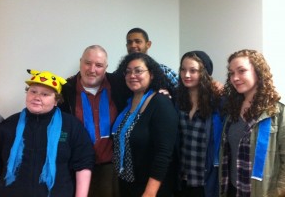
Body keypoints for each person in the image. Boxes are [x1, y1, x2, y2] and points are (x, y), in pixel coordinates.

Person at [0, 69, 95, 197]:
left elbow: (83, 164)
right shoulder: (9, 124)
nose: (37, 97)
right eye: (33, 91)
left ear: (56, 101)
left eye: (45, 94)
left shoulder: (71, 125)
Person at [219, 49, 285, 197]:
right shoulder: (232, 110)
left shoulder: (280, 111)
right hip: (233, 189)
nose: (235, 78)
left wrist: (280, 194)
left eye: (241, 71)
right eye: (231, 73)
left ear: (258, 72)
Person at [59, 45, 126, 197]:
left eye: (99, 65)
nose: (92, 69)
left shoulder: (119, 85)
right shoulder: (65, 90)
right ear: (80, 62)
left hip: (111, 169)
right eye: (88, 63)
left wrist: (163, 90)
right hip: (75, 167)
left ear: (106, 67)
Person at [112, 52, 179, 197]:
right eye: (128, 72)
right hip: (127, 184)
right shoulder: (127, 103)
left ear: (152, 75)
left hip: (151, 188)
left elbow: (164, 153)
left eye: (138, 71)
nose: (132, 75)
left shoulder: (161, 103)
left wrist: (150, 192)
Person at [175, 51, 223, 197]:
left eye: (193, 70)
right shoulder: (176, 100)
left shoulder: (218, 102)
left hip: (206, 180)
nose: (186, 75)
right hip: (181, 179)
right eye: (183, 69)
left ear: (204, 73)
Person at [126, 27, 179, 93]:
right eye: (129, 42)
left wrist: (170, 95)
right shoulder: (122, 73)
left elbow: (183, 92)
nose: (133, 45)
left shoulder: (164, 71)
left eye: (138, 41)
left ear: (148, 44)